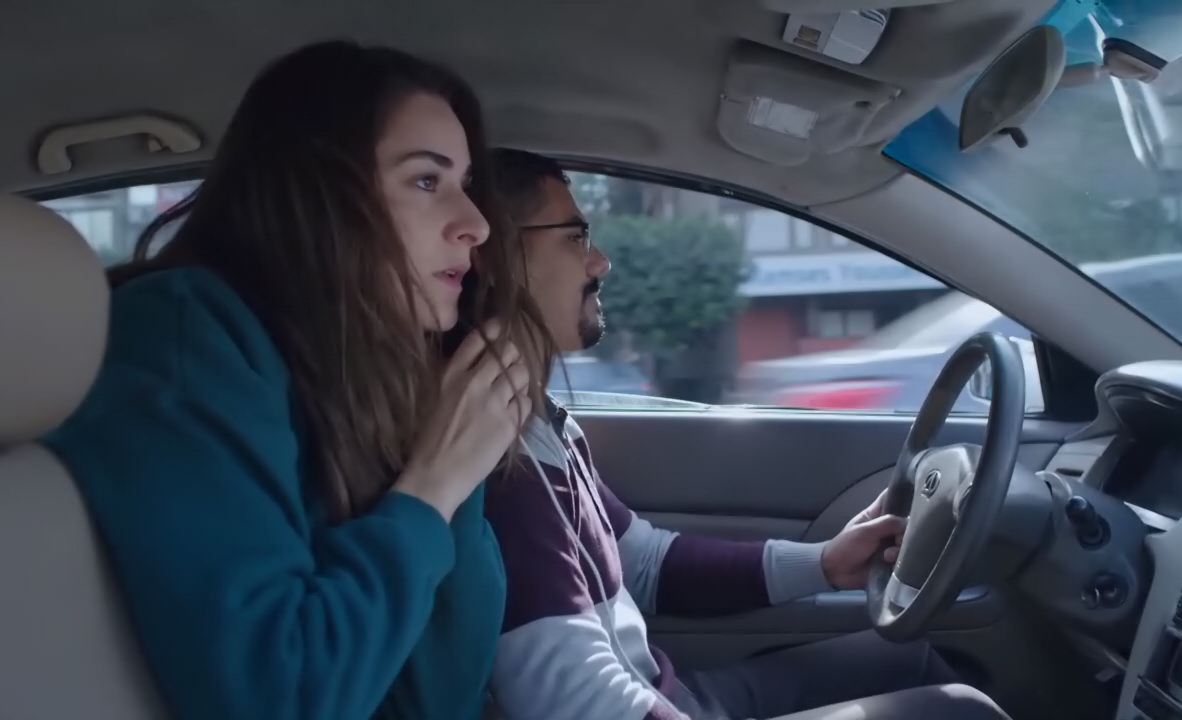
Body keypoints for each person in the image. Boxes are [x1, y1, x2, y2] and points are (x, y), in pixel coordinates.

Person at [41, 42, 552, 720]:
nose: (478, 224)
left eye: (465, 183)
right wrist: (435, 483)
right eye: (428, 181)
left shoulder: (361, 375)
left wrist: (451, 472)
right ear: (321, 196)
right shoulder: (184, 334)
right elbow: (278, 700)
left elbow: (433, 699)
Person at [483, 149, 1011, 720]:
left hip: (671, 697)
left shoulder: (541, 422)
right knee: (961, 712)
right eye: (575, 238)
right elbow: (576, 703)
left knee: (909, 660)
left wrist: (824, 563)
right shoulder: (499, 464)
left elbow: (647, 565)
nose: (600, 262)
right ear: (497, 259)